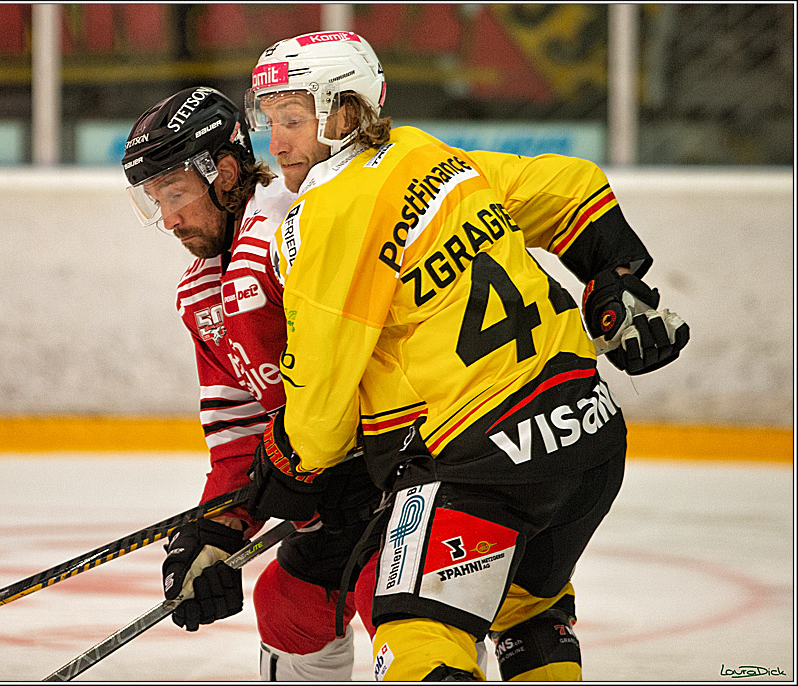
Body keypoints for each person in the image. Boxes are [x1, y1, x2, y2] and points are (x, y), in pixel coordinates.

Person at [244, 32, 690, 681]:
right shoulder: (428, 157)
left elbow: (320, 415)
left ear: (343, 114)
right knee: (525, 615)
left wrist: (282, 465)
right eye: (270, 120)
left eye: (292, 119)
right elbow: (572, 186)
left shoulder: (320, 219)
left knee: (418, 635)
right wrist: (612, 273)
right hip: (588, 434)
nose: (276, 142)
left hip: (478, 460)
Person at [120, 86, 387, 680]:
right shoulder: (199, 293)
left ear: (226, 172)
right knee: (289, 604)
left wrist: (331, 466)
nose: (169, 220)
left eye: (177, 194)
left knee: (393, 602)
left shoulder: (292, 235)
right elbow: (240, 433)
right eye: (156, 202)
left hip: (405, 467)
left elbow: (374, 357)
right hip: (334, 480)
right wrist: (217, 528)